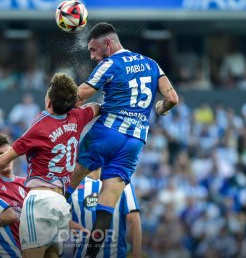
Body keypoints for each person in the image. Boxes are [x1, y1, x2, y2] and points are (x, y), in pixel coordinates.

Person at [64, 22, 179, 257]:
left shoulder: (110, 64)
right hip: (135, 142)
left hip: (107, 132)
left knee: (71, 178)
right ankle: (91, 255)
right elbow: (173, 98)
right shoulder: (152, 64)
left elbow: (80, 95)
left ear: (108, 43)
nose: (93, 56)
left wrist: (60, 106)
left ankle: (45, 216)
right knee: (106, 206)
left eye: (94, 50)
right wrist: (162, 107)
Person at [0, 73, 101, 258]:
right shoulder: (78, 117)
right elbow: (95, 107)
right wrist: (75, 104)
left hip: (40, 200)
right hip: (61, 203)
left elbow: (2, 160)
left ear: (49, 103)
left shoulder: (40, 126)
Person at [70, 169, 142, 258]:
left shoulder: (123, 181)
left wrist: (137, 253)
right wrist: (69, 223)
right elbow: (61, 216)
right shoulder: (73, 184)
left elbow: (134, 220)